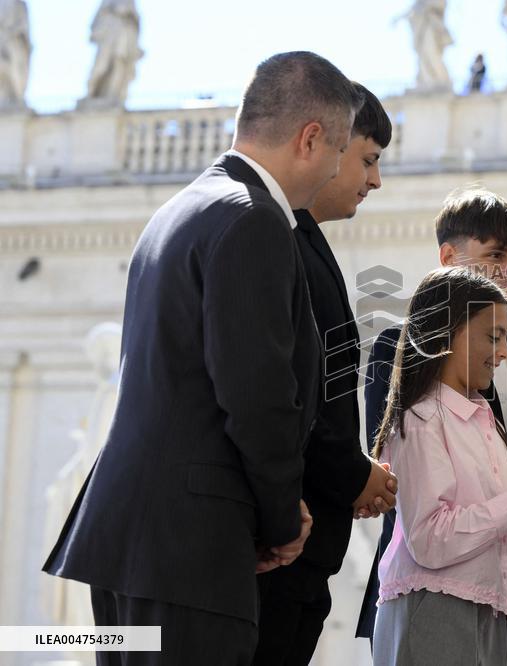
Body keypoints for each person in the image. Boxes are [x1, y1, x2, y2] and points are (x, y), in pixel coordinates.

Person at [43, 52, 362, 665]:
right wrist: (280, 519)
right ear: (310, 138)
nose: (337, 170)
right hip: (192, 547)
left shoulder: (177, 210)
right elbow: (258, 394)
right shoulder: (255, 221)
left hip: (126, 541)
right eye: (341, 151)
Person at [356, 189, 507, 666]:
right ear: (448, 259)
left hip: (504, 598)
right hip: (433, 591)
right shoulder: (411, 386)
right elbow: (408, 500)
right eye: (496, 254)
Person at [253, 83, 396, 666]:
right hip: (281, 540)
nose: (374, 180)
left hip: (300, 542)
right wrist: (353, 474)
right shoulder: (269, 235)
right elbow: (282, 392)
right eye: (366, 158)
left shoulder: (303, 239)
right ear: (323, 142)